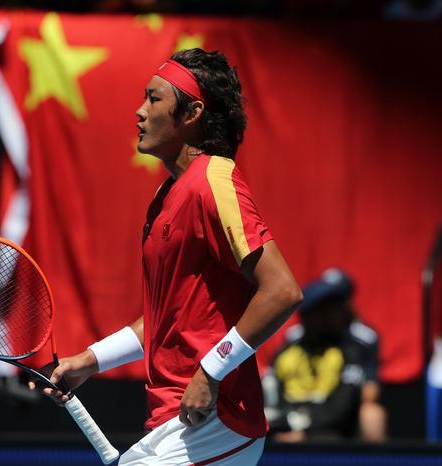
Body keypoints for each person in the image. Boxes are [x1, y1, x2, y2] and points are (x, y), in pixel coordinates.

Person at [30, 48, 303, 465]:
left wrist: (211, 371)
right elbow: (168, 319)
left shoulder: (214, 180)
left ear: (192, 113)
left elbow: (282, 291)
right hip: (176, 421)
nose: (139, 111)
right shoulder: (167, 195)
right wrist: (89, 360)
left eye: (154, 99)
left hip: (217, 420)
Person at [264, 268, 386, 442]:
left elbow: (346, 401)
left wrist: (306, 429)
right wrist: (282, 424)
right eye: (325, 310)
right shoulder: (290, 348)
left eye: (337, 307)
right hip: (288, 422)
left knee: (372, 414)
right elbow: (271, 389)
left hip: (328, 429)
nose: (336, 314)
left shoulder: (352, 349)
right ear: (308, 315)